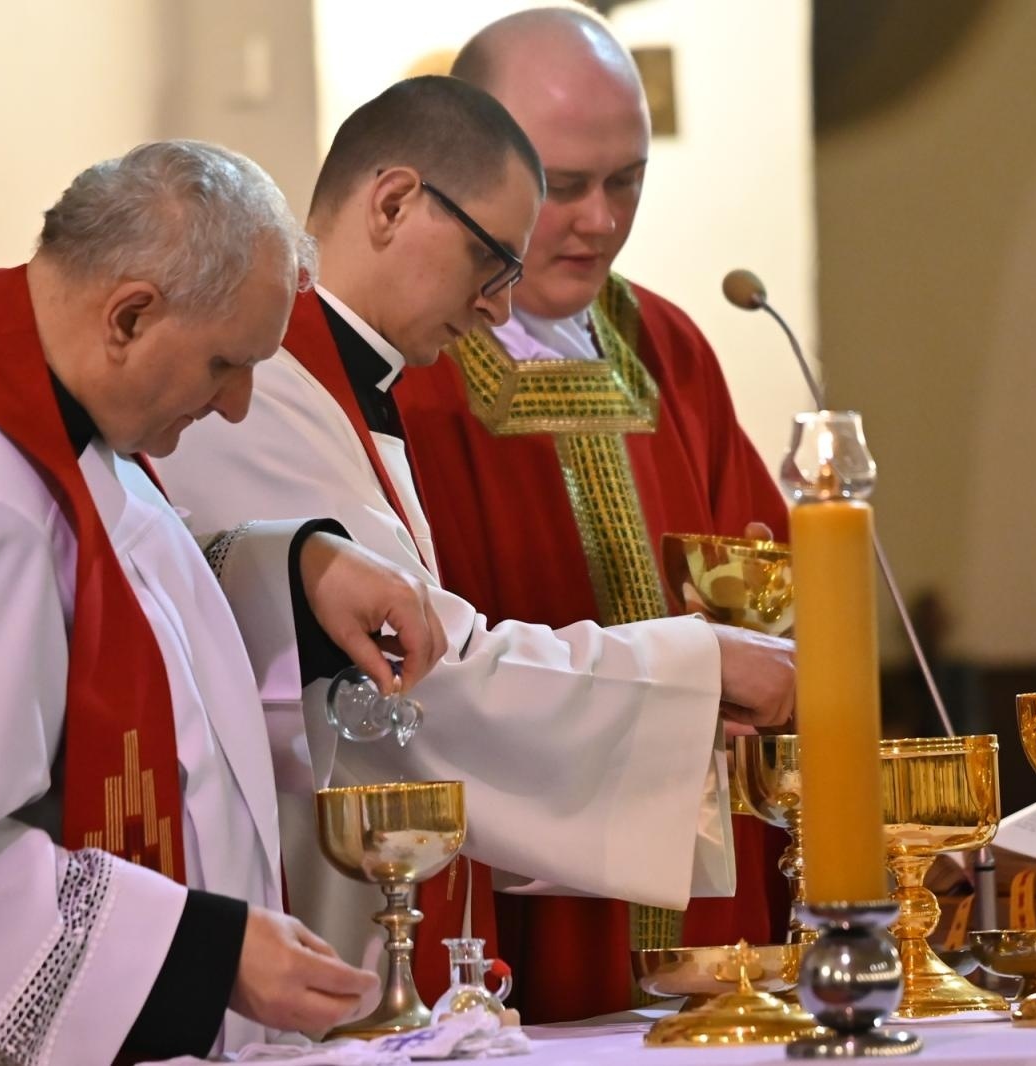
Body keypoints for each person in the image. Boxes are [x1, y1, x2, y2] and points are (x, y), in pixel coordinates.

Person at [0, 140, 449, 1065]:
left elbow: (105, 620)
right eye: (223, 364)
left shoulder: (43, 399)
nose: (237, 405)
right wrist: (205, 954)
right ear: (129, 315)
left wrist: (295, 572)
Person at [155, 76, 794, 1017]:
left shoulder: (342, 384)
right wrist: (700, 666)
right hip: (300, 919)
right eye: (495, 263)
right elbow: (428, 679)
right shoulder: (264, 393)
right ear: (394, 202)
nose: (499, 310)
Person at [388, 8, 796, 1020]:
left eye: (628, 182)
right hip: (519, 867)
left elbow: (770, 580)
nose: (601, 220)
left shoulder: (666, 344)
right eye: (565, 186)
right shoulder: (411, 370)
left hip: (709, 884)